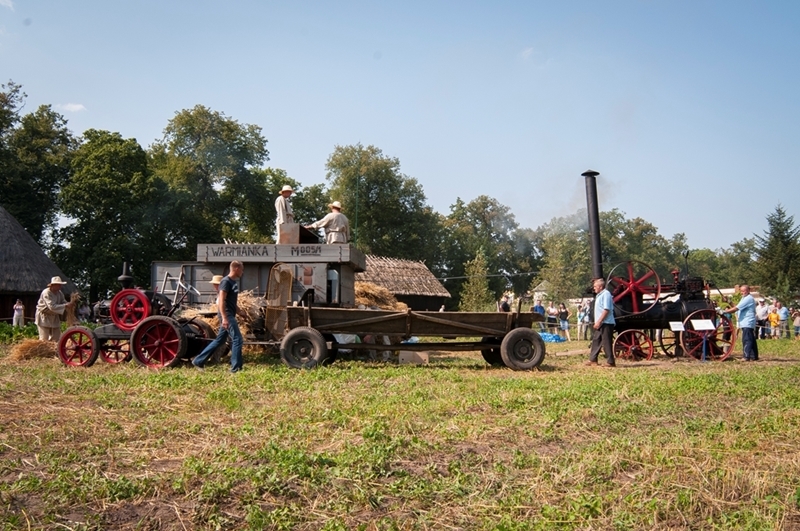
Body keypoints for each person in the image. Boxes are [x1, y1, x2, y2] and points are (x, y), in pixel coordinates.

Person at [192, 261, 244, 373]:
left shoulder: (233, 282)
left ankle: (199, 361)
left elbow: (231, 301)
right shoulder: (225, 282)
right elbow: (221, 300)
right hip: (227, 314)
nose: (242, 272)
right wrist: (225, 318)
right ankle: (236, 368)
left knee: (220, 340)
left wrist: (240, 311)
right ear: (236, 268)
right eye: (242, 269)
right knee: (237, 339)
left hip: (230, 313)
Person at [586, 278, 616, 367]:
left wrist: (599, 321)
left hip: (606, 323)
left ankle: (610, 362)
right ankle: (593, 360)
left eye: (595, 286)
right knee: (596, 340)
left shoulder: (606, 294)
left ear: (600, 286)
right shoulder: (599, 295)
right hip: (601, 323)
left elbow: (606, 309)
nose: (594, 288)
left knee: (606, 342)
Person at [724, 284, 758, 361]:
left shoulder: (748, 298)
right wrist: (729, 301)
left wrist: (724, 312)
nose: (742, 292)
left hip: (747, 322)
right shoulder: (744, 298)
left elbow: (736, 308)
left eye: (744, 291)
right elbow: (738, 306)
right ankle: (754, 356)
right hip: (745, 322)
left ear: (748, 291)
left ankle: (746, 357)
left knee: (746, 339)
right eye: (741, 291)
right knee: (751, 339)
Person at [34, 276, 74, 342]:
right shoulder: (46, 293)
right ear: (53, 285)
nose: (60, 286)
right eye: (58, 285)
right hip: (44, 317)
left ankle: (54, 351)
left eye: (60, 285)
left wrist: (69, 304)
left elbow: (63, 301)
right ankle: (44, 351)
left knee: (56, 337)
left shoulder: (59, 293)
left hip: (54, 317)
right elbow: (52, 307)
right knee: (44, 339)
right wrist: (65, 305)